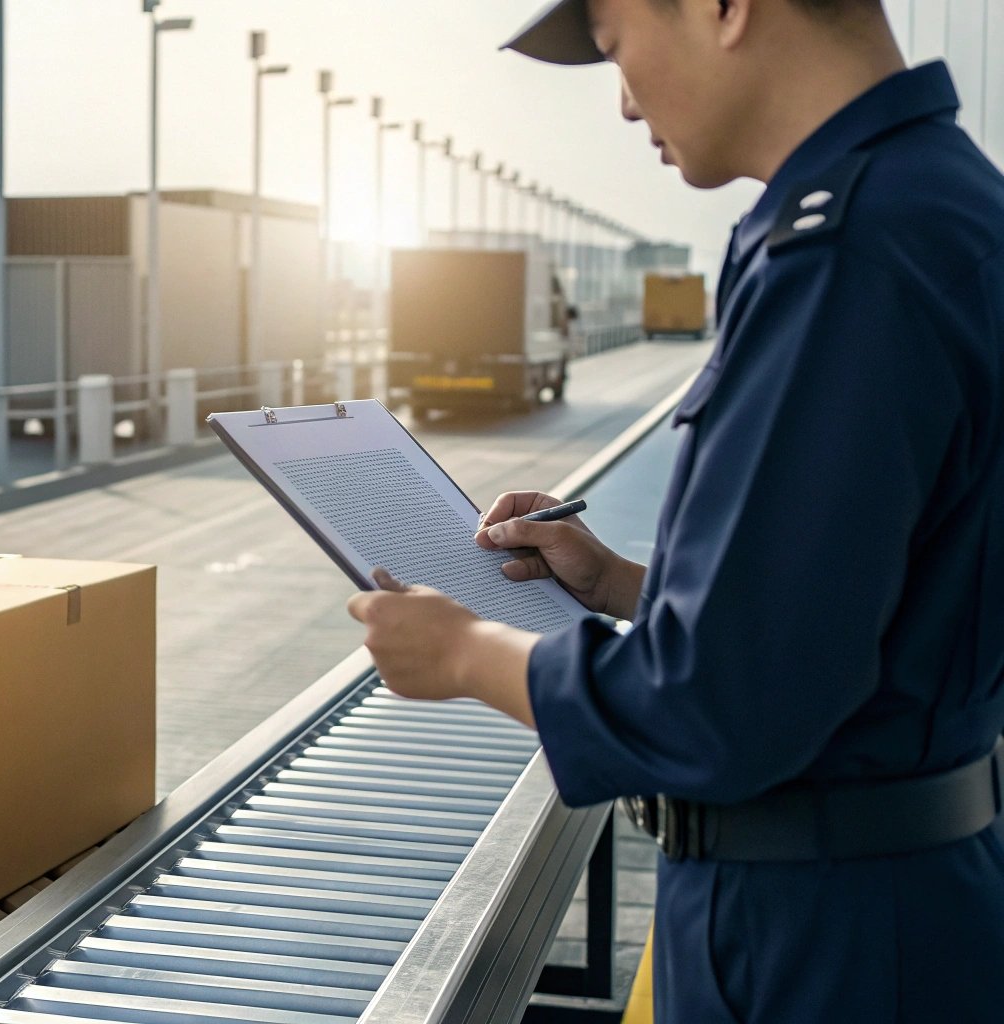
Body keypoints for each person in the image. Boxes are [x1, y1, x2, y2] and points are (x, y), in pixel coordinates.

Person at [346, 0, 1004, 1020]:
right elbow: (859, 614)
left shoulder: (846, 256)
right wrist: (617, 583)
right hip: (900, 896)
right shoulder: (949, 206)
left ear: (723, 7)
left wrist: (465, 651)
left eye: (612, 46)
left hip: (816, 942)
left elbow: (719, 705)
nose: (619, 101)